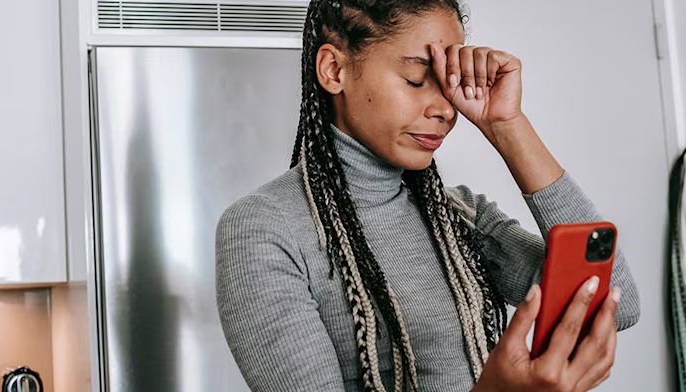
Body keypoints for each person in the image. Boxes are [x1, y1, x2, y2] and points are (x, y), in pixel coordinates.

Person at [215, 0, 641, 391]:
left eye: (449, 83)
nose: (446, 108)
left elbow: (613, 299)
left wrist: (506, 124)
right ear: (334, 70)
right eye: (418, 78)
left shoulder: (460, 215)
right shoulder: (264, 229)